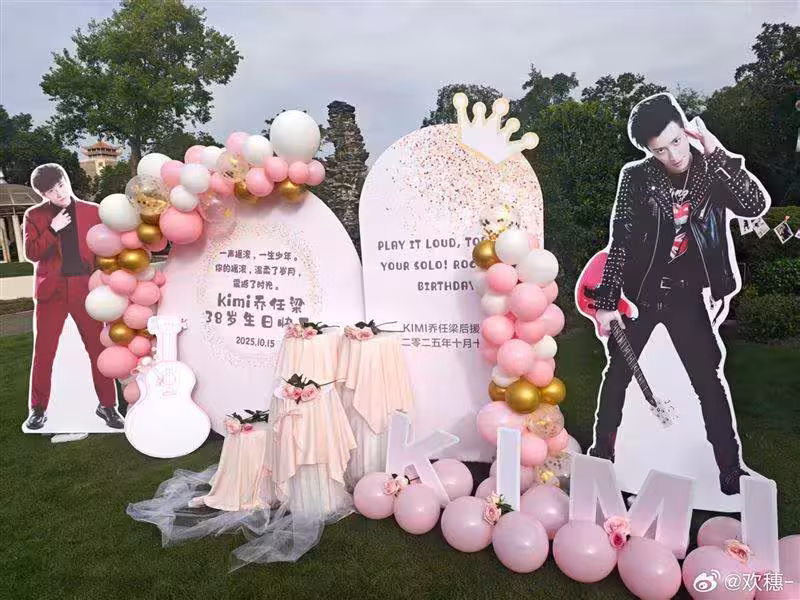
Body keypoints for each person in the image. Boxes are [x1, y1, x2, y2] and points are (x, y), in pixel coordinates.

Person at [587, 94, 769, 495]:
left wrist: (718, 154)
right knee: (618, 373)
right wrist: (607, 304)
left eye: (676, 141)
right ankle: (601, 456)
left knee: (708, 381)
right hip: (642, 295)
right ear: (648, 151)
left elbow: (754, 205)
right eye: (660, 150)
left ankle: (730, 469)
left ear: (686, 130)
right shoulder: (636, 177)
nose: (673, 155)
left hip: (687, 296)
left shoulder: (711, 169)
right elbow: (621, 240)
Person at [23, 164, 123, 430]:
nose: (58, 192)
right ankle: (37, 409)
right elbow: (32, 253)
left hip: (85, 288)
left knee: (98, 349)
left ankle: (108, 406)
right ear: (43, 194)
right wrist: (53, 229)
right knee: (44, 352)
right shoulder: (34, 215)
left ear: (65, 180)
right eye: (50, 191)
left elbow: (104, 250)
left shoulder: (93, 211)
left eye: (60, 185)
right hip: (52, 292)